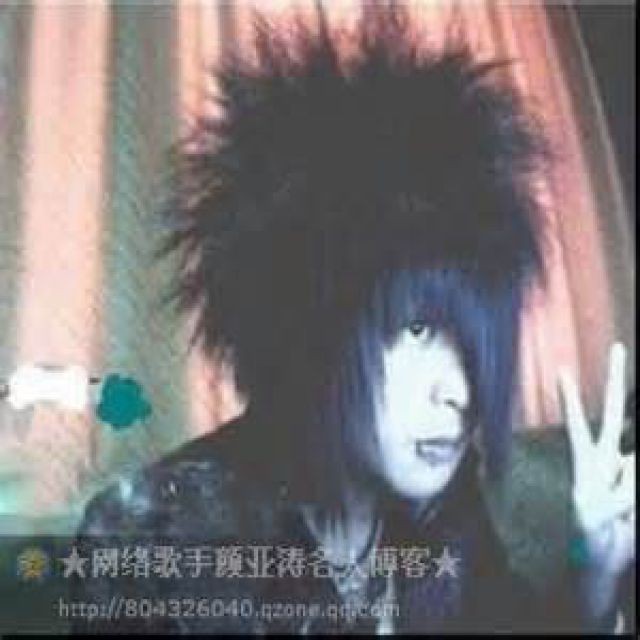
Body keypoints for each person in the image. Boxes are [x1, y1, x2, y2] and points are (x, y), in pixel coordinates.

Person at [70, 5, 635, 634]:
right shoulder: (153, 540)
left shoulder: (443, 509)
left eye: (473, 338)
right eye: (416, 329)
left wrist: (594, 566)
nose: (462, 389)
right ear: (313, 325)